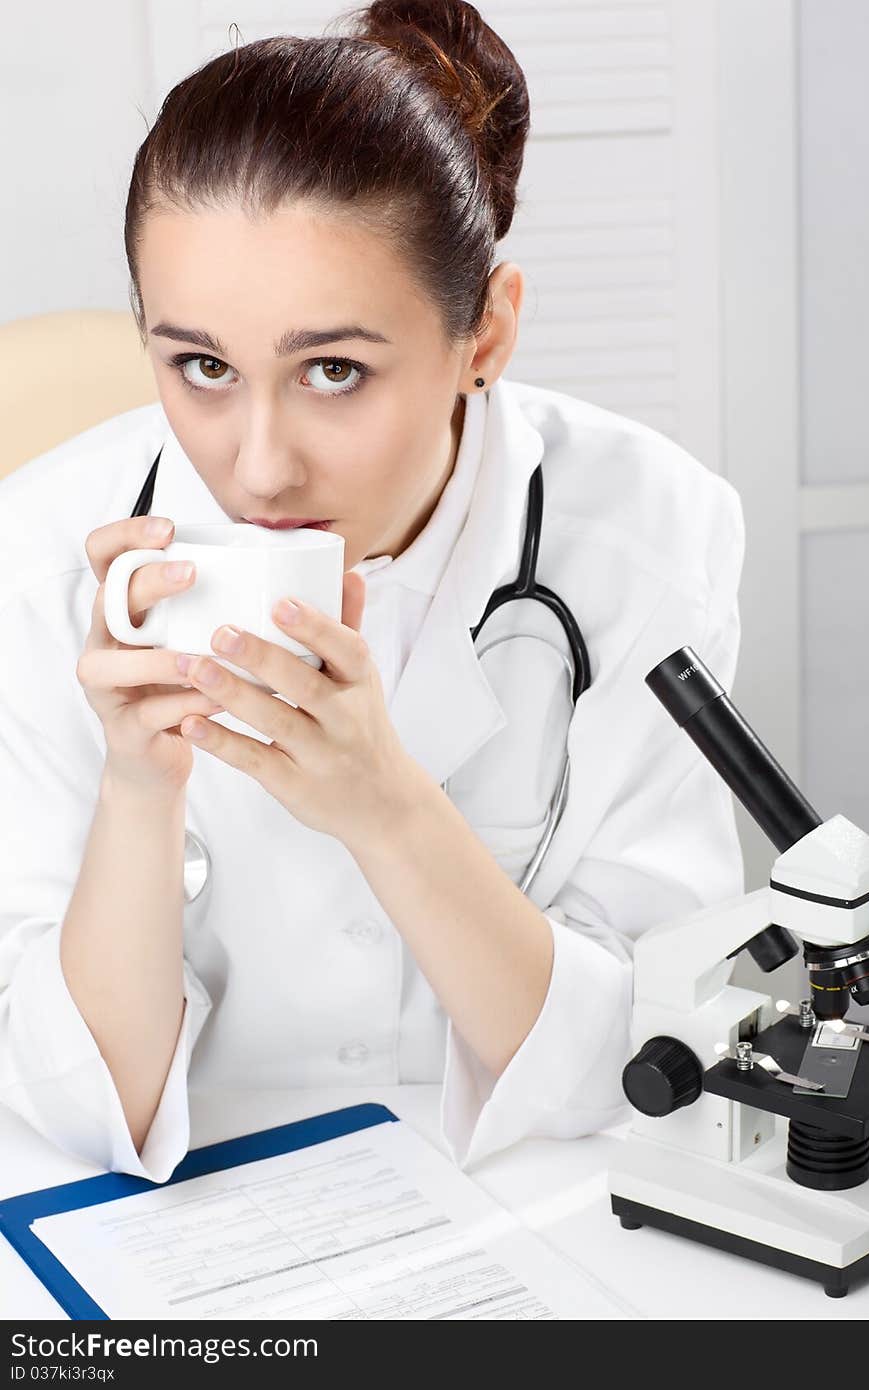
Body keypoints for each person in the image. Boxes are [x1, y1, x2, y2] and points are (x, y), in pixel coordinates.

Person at [0, 0, 745, 1184]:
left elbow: (643, 1058)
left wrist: (386, 807)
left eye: (333, 370)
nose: (257, 464)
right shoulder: (39, 557)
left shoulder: (650, 533)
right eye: (200, 366)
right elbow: (78, 1105)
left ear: (484, 333)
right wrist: (138, 786)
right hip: (176, 1223)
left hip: (510, 1198)